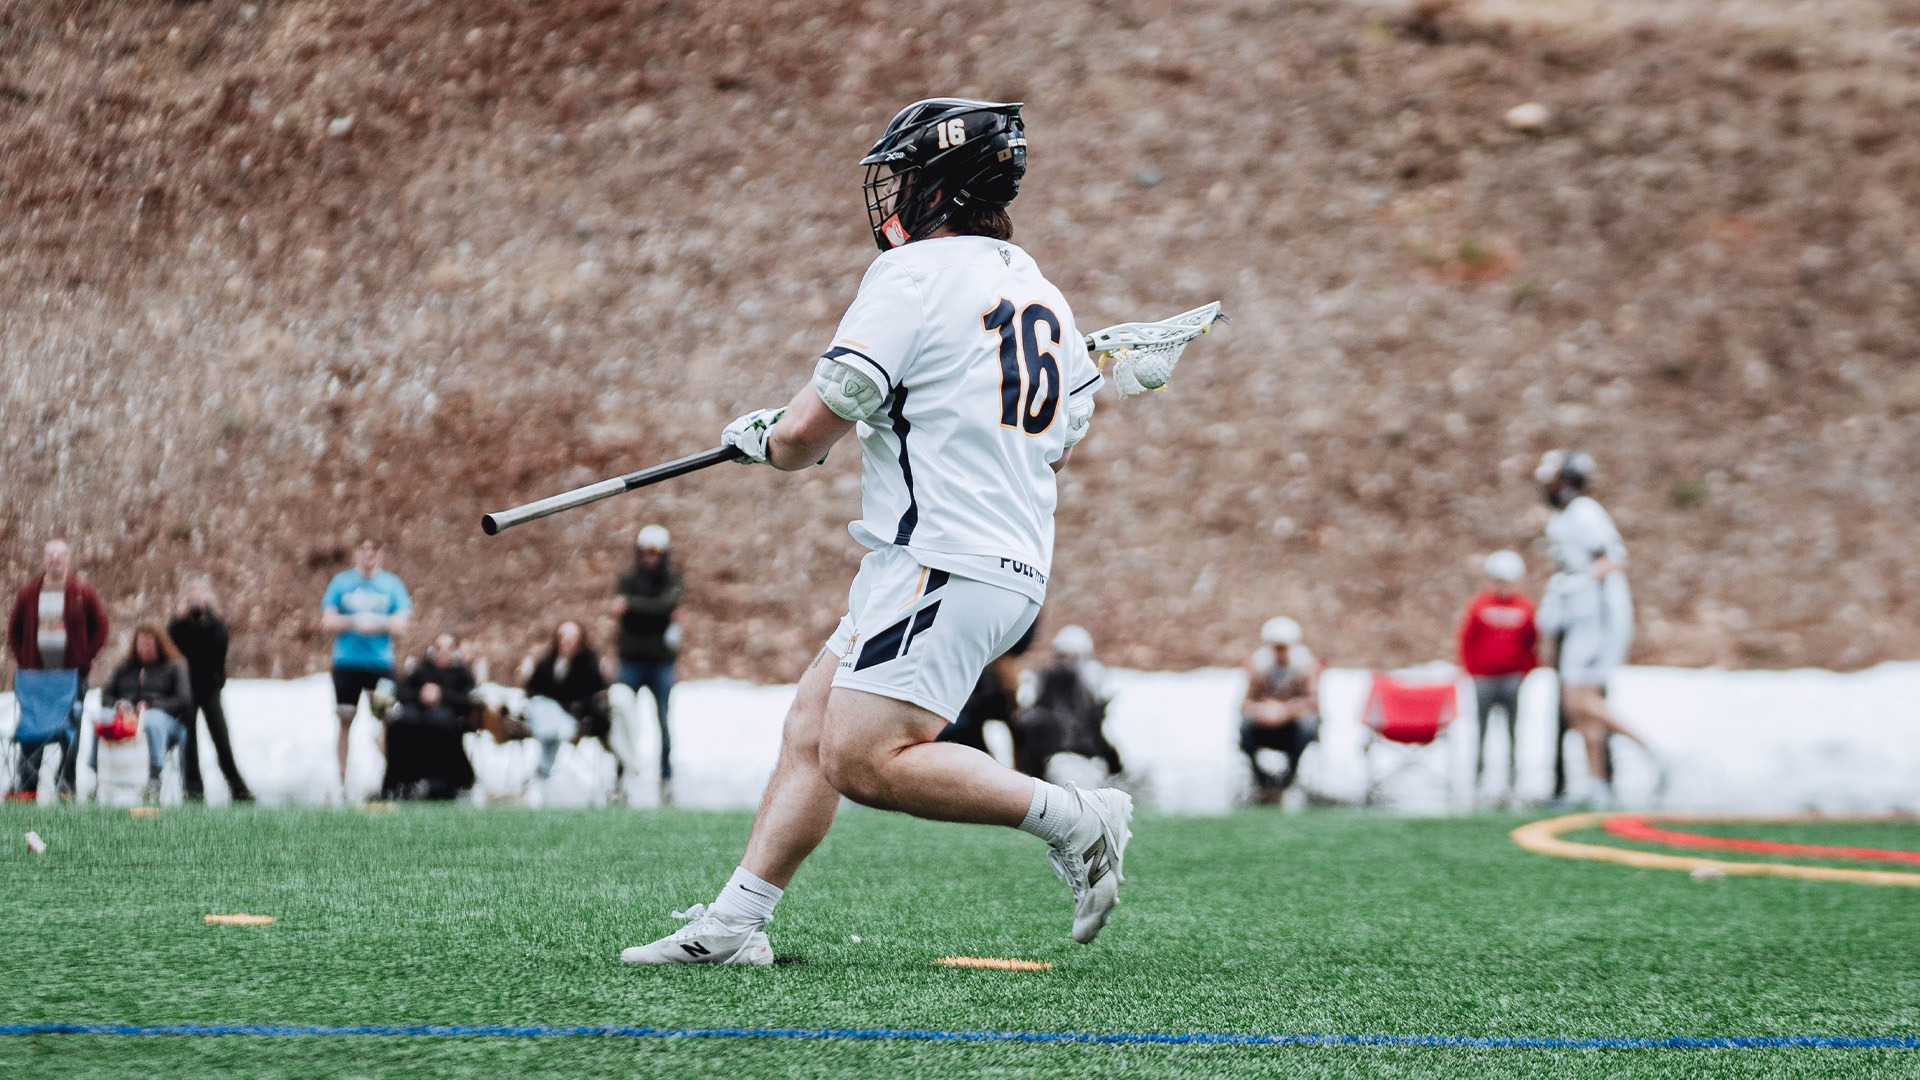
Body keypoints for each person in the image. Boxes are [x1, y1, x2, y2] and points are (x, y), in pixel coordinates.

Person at [622, 98, 1129, 968]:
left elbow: (805, 435)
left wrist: (767, 439)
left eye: (906, 176)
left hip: (942, 560)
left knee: (863, 760)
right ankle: (735, 925)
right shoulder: (1039, 288)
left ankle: (1078, 817)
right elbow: (1059, 443)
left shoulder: (914, 277)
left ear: (944, 187)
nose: (891, 194)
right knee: (811, 728)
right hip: (978, 564)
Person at [1534, 450, 1654, 807]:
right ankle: (1596, 784)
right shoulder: (1567, 517)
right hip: (1579, 618)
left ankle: (1651, 749)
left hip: (1595, 620)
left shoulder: (1584, 513)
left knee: (1581, 700)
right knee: (1575, 707)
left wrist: (1575, 587)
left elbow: (1611, 560)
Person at [7, 539, 109, 797]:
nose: (55, 560)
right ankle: (27, 785)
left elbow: (101, 626)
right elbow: (13, 630)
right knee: (33, 729)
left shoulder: (81, 592)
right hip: (37, 680)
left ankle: (66, 784)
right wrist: (24, 658)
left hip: (72, 677)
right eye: (50, 556)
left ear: (68, 560)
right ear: (44, 561)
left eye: (60, 556)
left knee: (69, 729)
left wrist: (85, 657)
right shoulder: (30, 593)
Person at [320, 538, 411, 797]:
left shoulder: (391, 585)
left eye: (374, 549)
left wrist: (377, 622)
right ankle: (341, 779)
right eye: (364, 549)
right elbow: (327, 621)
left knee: (385, 720)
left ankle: (392, 779)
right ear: (356, 553)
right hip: (347, 664)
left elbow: (401, 623)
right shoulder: (341, 583)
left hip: (379, 664)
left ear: (380, 554)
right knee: (345, 718)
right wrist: (353, 621)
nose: (369, 554)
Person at [1457, 551, 1537, 804]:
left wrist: (1524, 670)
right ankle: (1477, 780)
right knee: (1481, 730)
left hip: (1511, 679)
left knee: (1513, 731)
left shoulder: (1525, 608)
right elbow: (1467, 640)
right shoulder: (1479, 605)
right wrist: (1473, 670)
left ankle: (1513, 782)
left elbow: (1532, 643)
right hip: (1484, 680)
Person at [167, 574, 252, 802]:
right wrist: (179, 620)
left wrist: (202, 621)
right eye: (191, 597)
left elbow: (218, 645)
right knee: (189, 742)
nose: (195, 602)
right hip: (186, 688)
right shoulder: (178, 624)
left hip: (209, 687)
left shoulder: (215, 623)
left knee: (221, 738)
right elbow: (171, 649)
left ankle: (237, 788)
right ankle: (193, 790)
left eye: (199, 596)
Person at [614, 524, 683, 795]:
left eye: (656, 554)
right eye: (646, 553)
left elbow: (665, 605)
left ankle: (666, 777)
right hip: (631, 659)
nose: (650, 559)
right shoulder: (627, 578)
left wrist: (632, 607)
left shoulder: (673, 579)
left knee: (663, 721)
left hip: (660, 661)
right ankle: (620, 776)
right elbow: (660, 609)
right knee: (621, 718)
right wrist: (655, 612)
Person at [94, 625, 195, 803]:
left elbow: (183, 700)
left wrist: (152, 705)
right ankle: (98, 772)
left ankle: (154, 775)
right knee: (102, 717)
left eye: (149, 644)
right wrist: (120, 704)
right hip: (127, 719)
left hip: (165, 721)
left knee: (151, 721)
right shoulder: (125, 669)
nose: (144, 649)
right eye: (140, 644)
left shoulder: (174, 668)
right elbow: (106, 695)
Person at [1012, 625, 1123, 782]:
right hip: (1052, 759)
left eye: (1074, 657)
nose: (1068, 664)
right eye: (1063, 656)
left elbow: (1096, 732)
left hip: (1087, 760)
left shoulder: (1090, 686)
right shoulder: (1044, 681)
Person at [522, 620, 615, 800]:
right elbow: (532, 690)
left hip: (575, 718)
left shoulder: (588, 662)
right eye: (563, 637)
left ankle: (543, 773)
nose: (567, 641)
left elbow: (595, 693)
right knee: (542, 706)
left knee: (548, 720)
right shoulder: (548, 662)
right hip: (548, 716)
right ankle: (544, 767)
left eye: (572, 637)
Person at [383, 633, 477, 800]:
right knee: (401, 723)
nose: (444, 653)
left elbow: (468, 700)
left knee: (440, 721)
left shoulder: (462, 674)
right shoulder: (421, 671)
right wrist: (422, 695)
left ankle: (443, 782)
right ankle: (402, 781)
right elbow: (402, 692)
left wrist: (441, 695)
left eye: (449, 648)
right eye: (439, 648)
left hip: (448, 720)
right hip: (417, 716)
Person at [1238, 616, 1321, 804]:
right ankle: (1261, 780)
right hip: (1264, 729)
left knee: (1308, 726)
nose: (1280, 652)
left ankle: (1288, 778)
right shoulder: (1259, 670)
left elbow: (1312, 703)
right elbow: (1245, 704)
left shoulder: (1305, 669)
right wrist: (1263, 710)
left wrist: (1285, 711)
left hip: (1292, 730)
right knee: (1244, 727)